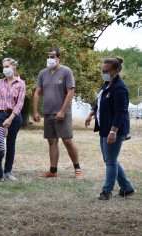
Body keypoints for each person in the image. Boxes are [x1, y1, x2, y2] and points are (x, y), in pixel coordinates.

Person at [85, 57, 136, 200]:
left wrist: (114, 131)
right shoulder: (107, 84)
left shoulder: (119, 88)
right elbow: (100, 102)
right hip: (105, 127)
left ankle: (106, 191)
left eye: (106, 70)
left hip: (115, 129)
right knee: (109, 159)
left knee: (111, 160)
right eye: (102, 70)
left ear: (116, 70)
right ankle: (126, 187)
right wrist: (91, 114)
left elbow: (121, 111)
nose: (103, 72)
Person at [33, 48, 83, 179]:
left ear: (59, 57)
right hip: (48, 112)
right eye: (49, 56)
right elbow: (38, 92)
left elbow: (70, 92)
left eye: (53, 56)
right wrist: (35, 111)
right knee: (52, 141)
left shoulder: (66, 71)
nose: (50, 58)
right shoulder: (43, 73)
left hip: (63, 113)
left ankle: (77, 168)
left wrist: (62, 111)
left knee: (67, 140)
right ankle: (53, 171)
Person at [0, 57, 26, 181]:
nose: (5, 69)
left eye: (7, 66)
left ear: (13, 67)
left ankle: (8, 171)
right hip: (0, 115)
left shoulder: (21, 83)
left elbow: (20, 103)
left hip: (14, 117)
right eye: (3, 67)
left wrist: (10, 119)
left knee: (11, 144)